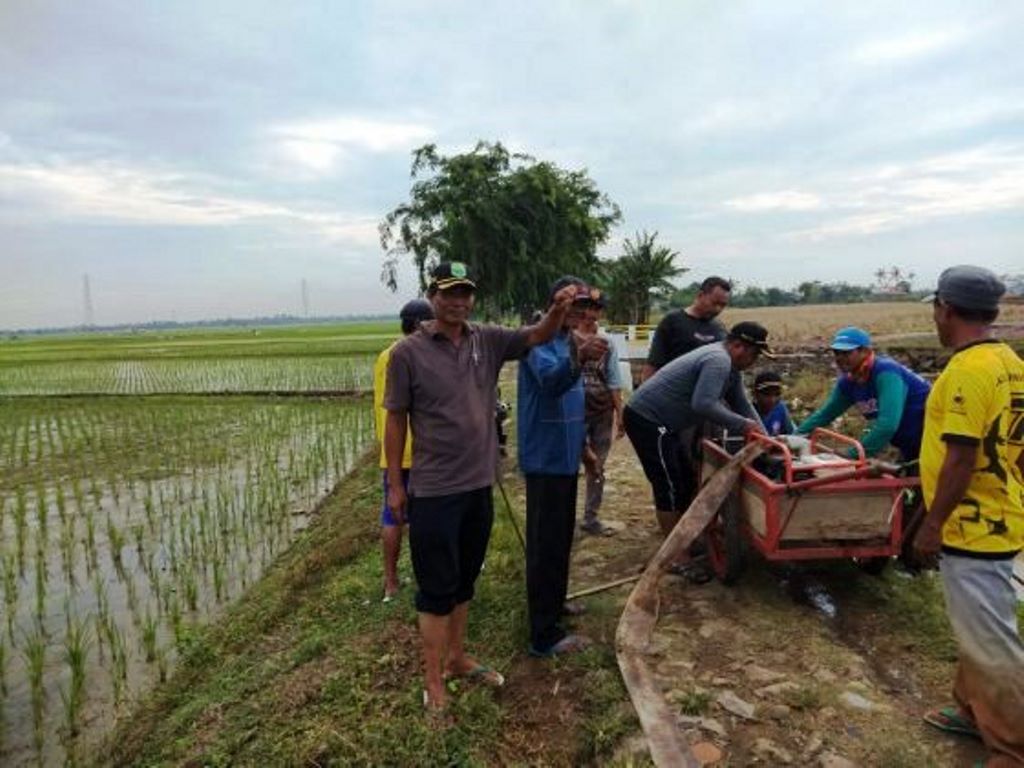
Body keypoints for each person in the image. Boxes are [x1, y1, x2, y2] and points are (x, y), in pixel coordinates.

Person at [384, 261, 577, 713]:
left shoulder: (486, 339)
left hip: (478, 485)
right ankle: (433, 681)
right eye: (449, 293)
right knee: (436, 588)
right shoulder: (406, 353)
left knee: (465, 581)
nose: (458, 302)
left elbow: (536, 336)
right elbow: (395, 422)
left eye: (465, 293)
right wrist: (396, 484)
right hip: (433, 490)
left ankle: (457, 658)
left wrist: (557, 310)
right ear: (433, 295)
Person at [911, 265, 1024, 767]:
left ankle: (1010, 749)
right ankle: (971, 709)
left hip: (973, 527)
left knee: (992, 640)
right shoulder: (1009, 362)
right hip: (1000, 513)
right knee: (974, 625)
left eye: (936, 309)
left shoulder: (966, 372)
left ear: (946, 309)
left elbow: (962, 456)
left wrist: (931, 525)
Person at [624, 321, 770, 580]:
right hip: (648, 420)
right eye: (755, 354)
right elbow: (703, 404)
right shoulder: (718, 360)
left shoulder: (729, 366)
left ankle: (683, 541)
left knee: (684, 480)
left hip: (666, 423)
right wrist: (744, 426)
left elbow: (741, 403)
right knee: (668, 486)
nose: (755, 361)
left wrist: (766, 437)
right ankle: (675, 558)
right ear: (738, 346)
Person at [518, 277, 610, 657]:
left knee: (559, 541)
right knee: (546, 546)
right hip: (545, 459)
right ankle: (544, 635)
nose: (585, 313)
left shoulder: (570, 339)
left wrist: (586, 449)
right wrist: (580, 358)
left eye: (587, 306)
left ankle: (555, 605)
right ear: (557, 304)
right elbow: (554, 384)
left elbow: (574, 402)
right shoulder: (537, 340)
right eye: (576, 305)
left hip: (566, 457)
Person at [373, 298, 434, 601]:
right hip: (418, 449)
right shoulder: (412, 354)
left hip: (393, 452)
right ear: (420, 325)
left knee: (393, 515)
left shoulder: (386, 354)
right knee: (417, 517)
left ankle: (392, 581)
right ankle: (414, 577)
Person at [796, 326, 930, 462]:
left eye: (846, 353)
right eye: (837, 353)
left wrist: (854, 454)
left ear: (865, 351)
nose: (840, 358)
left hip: (931, 437)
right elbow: (824, 415)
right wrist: (792, 437)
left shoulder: (886, 372)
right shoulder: (849, 382)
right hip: (909, 443)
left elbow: (887, 425)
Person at [578, 287, 625, 536]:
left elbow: (614, 379)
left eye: (596, 309)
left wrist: (620, 412)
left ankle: (590, 517)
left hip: (601, 411)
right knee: (568, 465)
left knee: (597, 466)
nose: (591, 313)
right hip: (573, 413)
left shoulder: (607, 342)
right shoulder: (567, 338)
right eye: (587, 307)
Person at [641, 276, 731, 382]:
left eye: (722, 305)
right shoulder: (672, 322)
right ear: (700, 295)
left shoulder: (719, 329)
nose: (718, 309)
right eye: (714, 303)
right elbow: (653, 364)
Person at [753, 370, 794, 437]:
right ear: (756, 394)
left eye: (777, 394)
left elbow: (791, 434)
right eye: (767, 394)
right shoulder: (747, 414)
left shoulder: (780, 409)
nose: (772, 400)